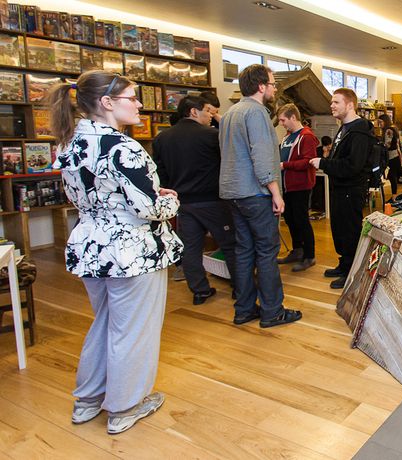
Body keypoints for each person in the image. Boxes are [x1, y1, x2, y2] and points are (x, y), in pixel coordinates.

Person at [49, 70, 183, 434]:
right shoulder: (122, 147)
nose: (139, 104)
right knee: (133, 329)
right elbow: (149, 208)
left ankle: (87, 400)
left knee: (105, 324)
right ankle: (125, 406)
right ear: (107, 102)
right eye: (132, 98)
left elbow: (94, 193)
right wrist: (171, 200)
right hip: (132, 250)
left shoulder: (69, 143)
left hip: (92, 246)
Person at [219, 64, 302, 327]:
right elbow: (263, 156)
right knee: (267, 252)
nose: (275, 89)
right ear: (260, 86)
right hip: (256, 193)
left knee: (244, 251)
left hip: (233, 193)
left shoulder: (230, 113)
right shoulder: (256, 113)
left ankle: (244, 309)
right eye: (272, 84)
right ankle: (272, 311)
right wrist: (276, 193)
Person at [153, 95, 238, 305]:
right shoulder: (211, 135)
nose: (210, 116)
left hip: (183, 202)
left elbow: (160, 174)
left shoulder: (162, 138)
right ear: (193, 111)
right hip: (213, 200)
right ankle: (240, 286)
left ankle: (200, 291)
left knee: (191, 248)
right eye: (207, 111)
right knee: (230, 244)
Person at [309, 88, 371, 289]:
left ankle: (352, 271)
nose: (331, 106)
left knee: (350, 231)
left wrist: (324, 163)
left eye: (336, 102)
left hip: (350, 191)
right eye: (331, 102)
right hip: (340, 189)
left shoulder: (359, 131)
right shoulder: (345, 128)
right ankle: (344, 264)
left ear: (350, 105)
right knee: (340, 229)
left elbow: (353, 165)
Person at [276, 103, 318, 272]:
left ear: (293, 117)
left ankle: (309, 255)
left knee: (302, 220)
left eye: (283, 120)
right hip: (287, 186)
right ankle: (297, 250)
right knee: (291, 219)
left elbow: (308, 161)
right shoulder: (287, 137)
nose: (281, 123)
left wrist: (285, 165)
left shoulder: (306, 136)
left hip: (301, 186)